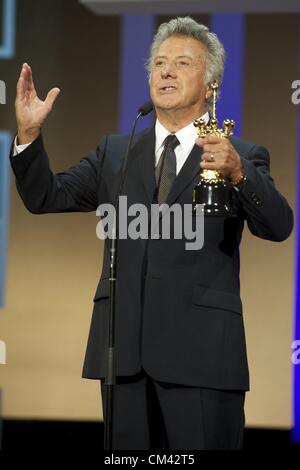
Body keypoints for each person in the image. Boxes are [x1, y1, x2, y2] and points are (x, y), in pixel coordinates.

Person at [11, 17, 293, 450]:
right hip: (123, 358)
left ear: (211, 83)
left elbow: (278, 226)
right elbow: (46, 196)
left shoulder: (239, 155)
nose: (165, 71)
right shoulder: (115, 152)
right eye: (159, 63)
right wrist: (29, 137)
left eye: (182, 63)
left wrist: (239, 174)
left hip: (202, 360)